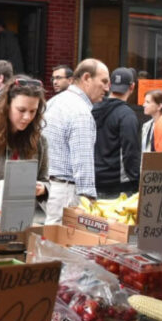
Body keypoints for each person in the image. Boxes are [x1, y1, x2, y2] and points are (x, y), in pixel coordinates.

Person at [42, 59, 108, 223]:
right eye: (104, 81)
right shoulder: (81, 113)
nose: (107, 88)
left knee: (48, 241)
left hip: (48, 188)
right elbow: (82, 161)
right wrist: (89, 201)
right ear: (87, 78)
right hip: (66, 192)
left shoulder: (54, 102)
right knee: (62, 244)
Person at [93, 68, 141, 198]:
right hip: (117, 186)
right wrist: (136, 181)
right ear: (132, 86)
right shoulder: (127, 115)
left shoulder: (91, 109)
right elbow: (130, 151)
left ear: (109, 85)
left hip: (91, 182)